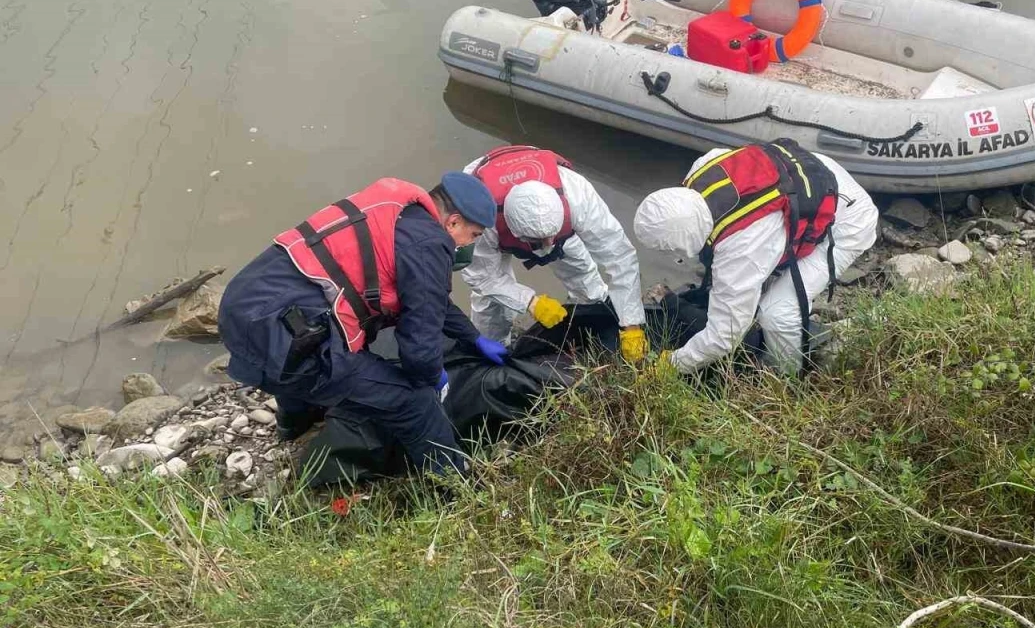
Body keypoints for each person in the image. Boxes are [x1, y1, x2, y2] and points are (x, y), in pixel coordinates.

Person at [217, 174, 511, 476]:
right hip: (284, 334)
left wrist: (473, 338)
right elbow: (419, 353)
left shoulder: (399, 210)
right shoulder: (431, 243)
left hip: (243, 308)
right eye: (473, 235)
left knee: (294, 355)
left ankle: (292, 426)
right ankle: (454, 485)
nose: (470, 244)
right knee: (415, 402)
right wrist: (433, 376)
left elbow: (429, 298)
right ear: (453, 223)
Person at [632, 138, 878, 375]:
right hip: (807, 175)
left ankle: (786, 378)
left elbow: (724, 337)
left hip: (846, 219)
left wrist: (671, 364)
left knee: (777, 313)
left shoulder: (743, 248)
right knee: (753, 288)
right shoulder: (700, 171)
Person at [461, 145, 648, 363]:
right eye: (538, 242)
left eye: (551, 236)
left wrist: (631, 322)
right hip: (493, 208)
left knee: (584, 278)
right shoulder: (479, 214)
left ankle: (592, 313)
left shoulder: (577, 195)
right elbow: (482, 276)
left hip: (556, 220)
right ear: (512, 229)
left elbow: (619, 257)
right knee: (491, 304)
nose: (548, 245)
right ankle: (493, 349)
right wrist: (530, 302)